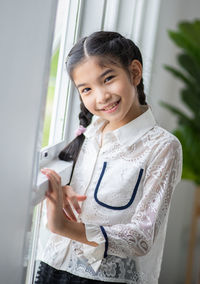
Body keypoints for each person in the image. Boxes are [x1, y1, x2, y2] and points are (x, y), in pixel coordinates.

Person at [35, 31, 182, 284]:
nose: (101, 96)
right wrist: (65, 190)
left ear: (134, 72)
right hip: (53, 264)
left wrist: (63, 226)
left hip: (105, 279)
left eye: (109, 78)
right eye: (87, 89)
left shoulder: (162, 146)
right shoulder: (89, 135)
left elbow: (142, 237)